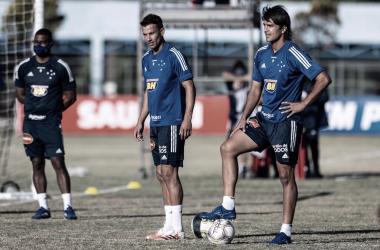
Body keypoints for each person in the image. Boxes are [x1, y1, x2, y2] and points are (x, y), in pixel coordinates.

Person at [200, 5, 331, 244]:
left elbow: (323, 79)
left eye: (270, 25)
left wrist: (302, 104)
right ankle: (228, 207)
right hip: (263, 120)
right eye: (264, 25)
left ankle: (285, 232)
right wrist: (242, 119)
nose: (266, 29)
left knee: (285, 177)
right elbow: (255, 90)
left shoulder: (293, 52)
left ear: (283, 28)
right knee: (227, 148)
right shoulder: (261, 53)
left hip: (286, 123)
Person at [134, 14, 196, 240]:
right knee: (160, 174)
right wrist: (141, 119)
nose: (148, 38)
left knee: (170, 172)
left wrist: (187, 117)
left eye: (151, 33)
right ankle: (168, 226)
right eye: (145, 34)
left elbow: (190, 87)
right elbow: (148, 92)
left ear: (162, 31)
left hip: (172, 121)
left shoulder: (174, 55)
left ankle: (178, 228)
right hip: (156, 123)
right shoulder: (146, 59)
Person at [15, 28, 77, 220]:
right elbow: (20, 94)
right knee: (37, 163)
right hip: (31, 125)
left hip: (51, 124)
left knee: (58, 162)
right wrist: (36, 106)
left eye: (42, 43)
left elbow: (71, 96)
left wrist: (55, 110)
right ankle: (43, 207)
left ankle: (68, 207)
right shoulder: (24, 67)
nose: (39, 46)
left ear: (50, 44)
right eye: (36, 42)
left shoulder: (60, 67)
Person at [302, 78, 329, 178]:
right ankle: (306, 170)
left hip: (313, 120)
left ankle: (316, 170)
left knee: (313, 146)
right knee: (302, 147)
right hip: (302, 119)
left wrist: (309, 97)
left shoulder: (319, 82)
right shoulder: (300, 83)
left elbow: (324, 97)